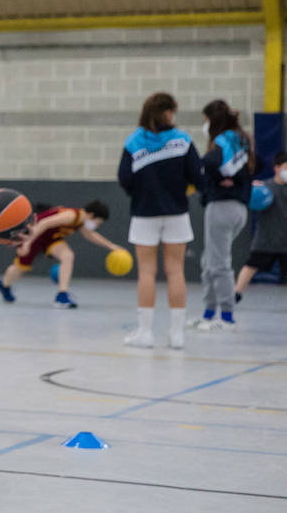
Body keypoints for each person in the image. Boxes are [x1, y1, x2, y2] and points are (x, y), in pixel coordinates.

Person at [117, 92, 204, 348]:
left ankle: (145, 333)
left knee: (146, 271)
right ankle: (176, 334)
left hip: (144, 213)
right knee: (175, 270)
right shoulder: (182, 139)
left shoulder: (133, 141)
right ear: (168, 112)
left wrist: (142, 192)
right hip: (177, 212)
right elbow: (198, 178)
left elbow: (124, 178)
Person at [192, 99, 253, 331]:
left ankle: (226, 317)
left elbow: (202, 165)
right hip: (238, 208)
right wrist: (232, 181)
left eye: (206, 120)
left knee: (218, 264)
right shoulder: (241, 141)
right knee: (209, 261)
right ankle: (209, 313)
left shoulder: (221, 143)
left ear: (213, 121)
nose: (204, 125)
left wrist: (211, 181)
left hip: (222, 208)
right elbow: (255, 166)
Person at [0, 201, 118, 308]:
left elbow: (90, 235)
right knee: (20, 268)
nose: (96, 226)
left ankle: (62, 295)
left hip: (50, 238)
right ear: (91, 215)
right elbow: (43, 224)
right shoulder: (72, 215)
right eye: (98, 223)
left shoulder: (81, 221)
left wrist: (112, 247)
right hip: (35, 233)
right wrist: (27, 243)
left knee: (67, 256)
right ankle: (3, 285)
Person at [235, 151, 287, 298]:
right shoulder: (264, 187)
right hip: (266, 239)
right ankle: (236, 294)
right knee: (251, 265)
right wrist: (252, 189)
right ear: (276, 168)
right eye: (285, 166)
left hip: (285, 241)